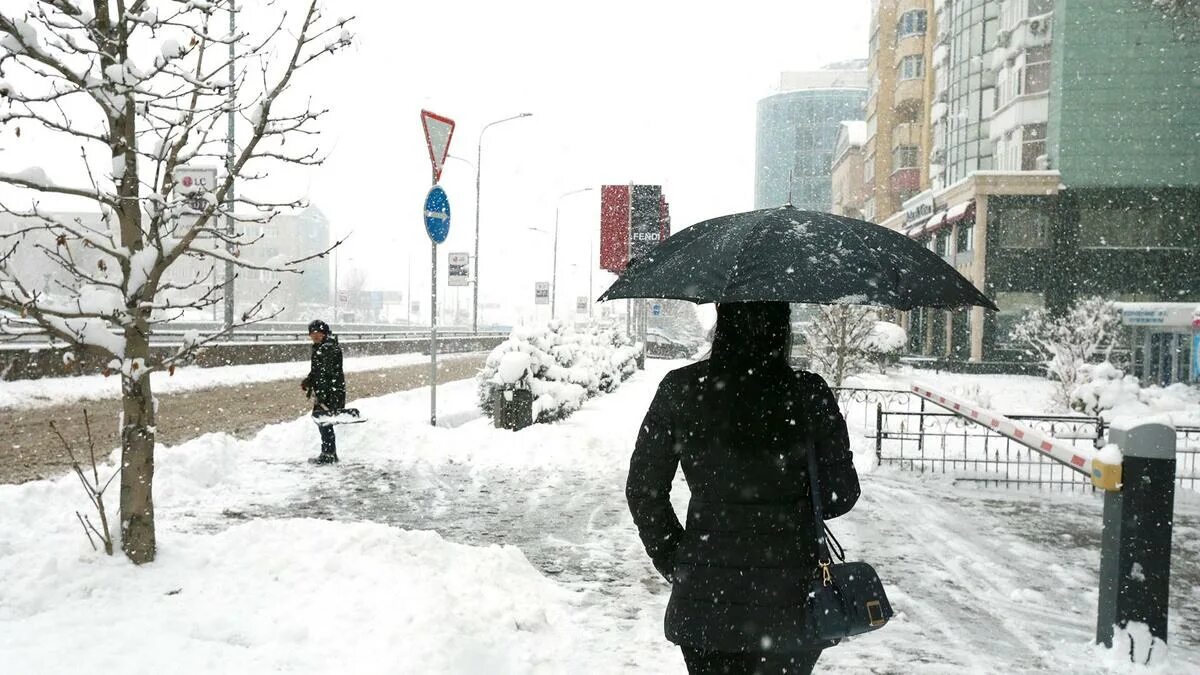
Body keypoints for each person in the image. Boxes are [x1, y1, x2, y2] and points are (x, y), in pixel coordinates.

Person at [626, 301, 860, 675]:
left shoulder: (682, 389)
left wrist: (677, 559)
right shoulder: (808, 394)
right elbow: (841, 495)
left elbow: (643, 489)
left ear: (723, 323)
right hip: (792, 602)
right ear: (782, 327)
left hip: (707, 604)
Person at [301, 319, 346, 465]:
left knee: (324, 423)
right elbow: (318, 371)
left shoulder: (328, 348)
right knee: (324, 422)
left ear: (324, 333)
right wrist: (309, 380)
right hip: (327, 390)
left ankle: (328, 455)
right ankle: (329, 453)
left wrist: (324, 396)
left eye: (318, 333)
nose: (315, 336)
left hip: (330, 392)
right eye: (312, 333)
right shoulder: (321, 346)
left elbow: (326, 374)